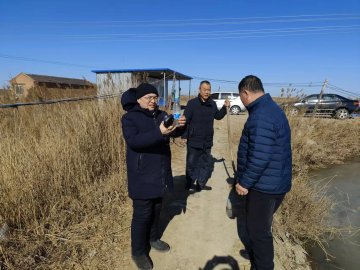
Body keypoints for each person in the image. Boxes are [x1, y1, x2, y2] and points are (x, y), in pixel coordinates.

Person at [121, 83, 186, 270]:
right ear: (139, 99)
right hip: (141, 175)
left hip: (160, 171)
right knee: (142, 214)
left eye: (155, 97)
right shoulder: (129, 119)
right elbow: (134, 142)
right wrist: (158, 132)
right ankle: (138, 252)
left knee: (157, 208)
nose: (153, 100)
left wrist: (180, 126)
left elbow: (170, 131)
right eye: (149, 97)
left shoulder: (161, 114)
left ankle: (154, 238)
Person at [235, 75, 292, 270]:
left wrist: (244, 183)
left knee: (259, 232)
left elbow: (260, 157)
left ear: (245, 93)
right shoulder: (271, 108)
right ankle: (257, 256)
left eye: (240, 96)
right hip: (275, 181)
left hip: (265, 186)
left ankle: (262, 265)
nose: (240, 101)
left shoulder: (261, 116)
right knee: (260, 229)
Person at [182, 80, 230, 192]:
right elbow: (186, 121)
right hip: (194, 140)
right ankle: (189, 183)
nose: (207, 92)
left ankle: (200, 183)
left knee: (204, 164)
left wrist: (224, 107)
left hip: (207, 141)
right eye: (204, 90)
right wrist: (184, 136)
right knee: (191, 164)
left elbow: (218, 116)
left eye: (208, 90)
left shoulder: (212, 104)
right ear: (199, 89)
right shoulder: (192, 103)